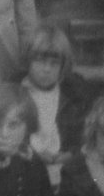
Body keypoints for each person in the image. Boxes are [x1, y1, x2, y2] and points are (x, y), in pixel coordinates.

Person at [21, 23, 93, 185]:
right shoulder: (18, 93)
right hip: (27, 164)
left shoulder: (74, 94)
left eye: (54, 63)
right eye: (40, 61)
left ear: (63, 66)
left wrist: (70, 154)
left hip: (64, 164)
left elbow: (84, 134)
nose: (46, 69)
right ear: (28, 60)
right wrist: (33, 153)